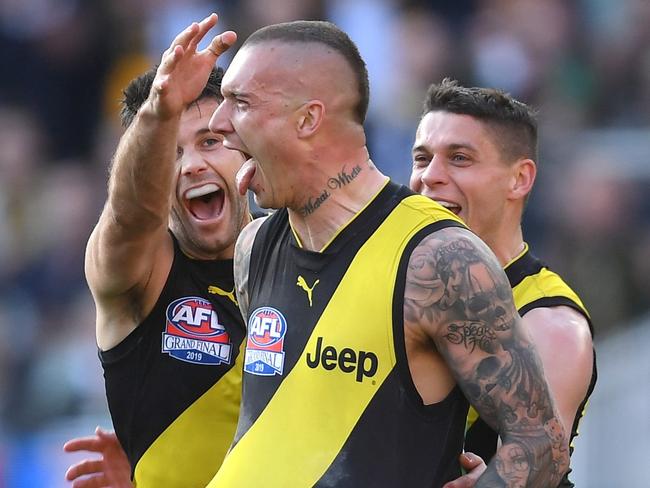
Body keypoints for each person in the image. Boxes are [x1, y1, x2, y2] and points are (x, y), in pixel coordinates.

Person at [202, 18, 569, 487]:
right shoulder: (255, 247)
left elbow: (541, 443)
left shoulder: (439, 259)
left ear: (308, 118)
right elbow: (270, 430)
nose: (219, 123)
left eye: (241, 103)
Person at [64, 15, 250, 487]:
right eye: (172, 154)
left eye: (211, 141)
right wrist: (159, 113)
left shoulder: (298, 253)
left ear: (248, 153)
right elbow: (132, 215)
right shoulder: (141, 270)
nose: (192, 166)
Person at [409, 79, 596, 488]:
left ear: (519, 179)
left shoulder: (550, 322)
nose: (431, 177)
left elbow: (536, 467)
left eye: (459, 158)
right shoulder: (392, 278)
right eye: (422, 159)